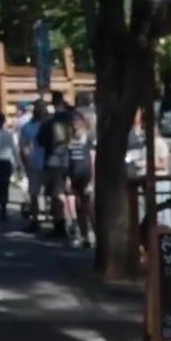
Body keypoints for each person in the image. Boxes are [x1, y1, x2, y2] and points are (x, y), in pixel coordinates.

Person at [42, 91, 78, 240]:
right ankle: (75, 222)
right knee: (71, 193)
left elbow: (41, 140)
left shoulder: (50, 121)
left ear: (53, 103)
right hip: (72, 158)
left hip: (55, 160)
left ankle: (60, 225)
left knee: (58, 193)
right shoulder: (73, 117)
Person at [65, 98, 96, 249]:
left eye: (77, 123)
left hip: (86, 176)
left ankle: (95, 233)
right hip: (74, 176)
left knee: (89, 206)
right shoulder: (71, 141)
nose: (75, 126)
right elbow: (68, 160)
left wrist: (92, 180)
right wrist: (68, 178)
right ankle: (84, 236)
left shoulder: (88, 140)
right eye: (73, 124)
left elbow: (93, 160)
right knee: (78, 207)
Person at [18, 102, 47, 231]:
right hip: (49, 163)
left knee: (34, 194)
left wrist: (26, 164)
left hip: (34, 163)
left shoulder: (27, 127)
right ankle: (58, 221)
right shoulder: (49, 125)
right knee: (54, 194)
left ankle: (35, 221)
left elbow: (24, 148)